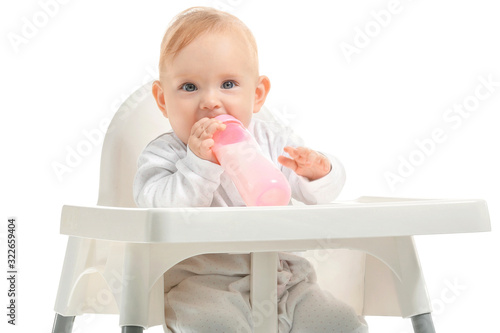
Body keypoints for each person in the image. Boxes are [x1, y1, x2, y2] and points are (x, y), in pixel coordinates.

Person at [133, 6, 368, 333]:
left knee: (341, 322)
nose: (210, 101)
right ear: (162, 99)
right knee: (214, 325)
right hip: (204, 284)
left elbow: (316, 196)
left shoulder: (272, 142)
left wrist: (317, 171)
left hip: (284, 280)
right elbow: (157, 208)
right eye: (189, 87)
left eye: (228, 83)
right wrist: (198, 165)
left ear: (257, 94)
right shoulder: (164, 154)